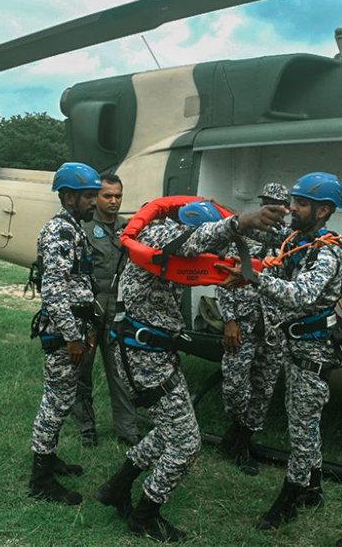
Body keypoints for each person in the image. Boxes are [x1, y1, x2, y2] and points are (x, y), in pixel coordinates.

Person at [95, 199, 286, 542]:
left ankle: (116, 487)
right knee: (186, 444)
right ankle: (145, 515)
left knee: (169, 430)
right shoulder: (163, 236)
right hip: (144, 358)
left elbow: (200, 261)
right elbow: (198, 240)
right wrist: (241, 221)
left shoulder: (163, 243)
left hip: (154, 353)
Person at [218, 172, 342, 530]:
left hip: (314, 353)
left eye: (301, 204)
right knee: (304, 424)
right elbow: (273, 269)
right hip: (295, 346)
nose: (293, 209)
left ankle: (288, 500)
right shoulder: (298, 242)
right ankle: (314, 487)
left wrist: (252, 276)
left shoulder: (327, 251)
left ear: (322, 211)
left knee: (302, 428)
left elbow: (302, 294)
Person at [28, 162, 101, 505]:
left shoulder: (73, 228)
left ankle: (50, 457)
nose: (94, 203)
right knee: (55, 401)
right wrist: (72, 336)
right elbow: (55, 292)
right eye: (88, 197)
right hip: (62, 334)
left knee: (62, 398)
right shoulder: (59, 232)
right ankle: (40, 478)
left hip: (74, 329)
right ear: (68, 197)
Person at [215, 182, 290, 476]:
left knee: (263, 389)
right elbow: (223, 277)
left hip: (272, 326)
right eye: (268, 203)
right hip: (242, 324)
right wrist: (229, 320)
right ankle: (234, 434)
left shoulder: (290, 241)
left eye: (280, 204)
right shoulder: (239, 233)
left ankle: (241, 443)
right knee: (235, 386)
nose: (274, 209)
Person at [71, 172, 140, 447]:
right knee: (82, 371)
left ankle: (128, 430)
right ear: (96, 197)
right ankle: (86, 428)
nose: (114, 201)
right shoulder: (82, 228)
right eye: (107, 196)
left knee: (121, 372)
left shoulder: (129, 229)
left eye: (118, 196)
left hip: (118, 312)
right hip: (90, 309)